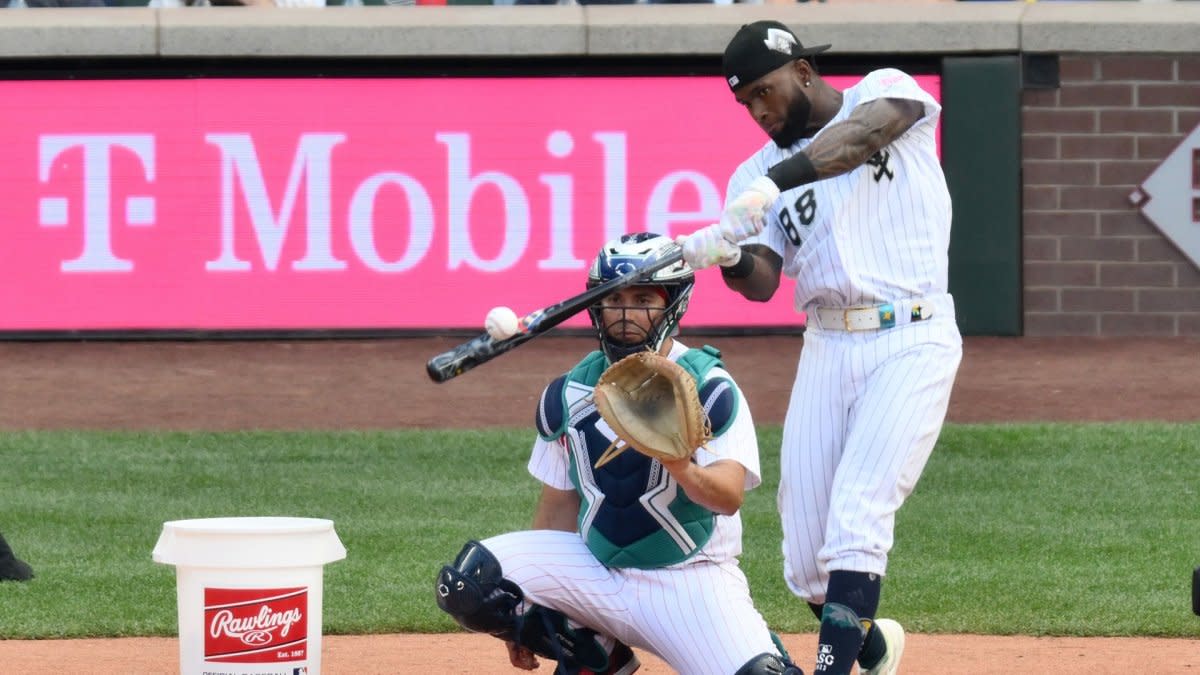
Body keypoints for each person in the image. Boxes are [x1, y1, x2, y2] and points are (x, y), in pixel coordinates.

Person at [676, 20, 963, 675]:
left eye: (764, 90)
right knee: (807, 563)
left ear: (803, 71)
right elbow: (763, 280)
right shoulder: (751, 173)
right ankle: (876, 646)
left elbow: (861, 138)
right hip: (829, 344)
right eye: (744, 100)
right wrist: (727, 253)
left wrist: (777, 182)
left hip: (913, 334)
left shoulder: (883, 91)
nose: (758, 109)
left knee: (858, 515)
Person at [435, 232, 802, 675]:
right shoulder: (567, 393)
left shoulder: (709, 387)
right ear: (596, 305)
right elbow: (557, 508)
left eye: (643, 298)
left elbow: (728, 496)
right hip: (597, 572)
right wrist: (524, 617)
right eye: (615, 299)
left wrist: (676, 460)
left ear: (673, 303)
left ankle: (756, 647)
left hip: (689, 581)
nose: (626, 313)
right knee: (470, 582)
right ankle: (601, 658)